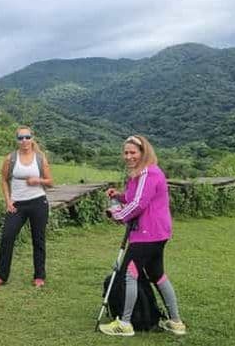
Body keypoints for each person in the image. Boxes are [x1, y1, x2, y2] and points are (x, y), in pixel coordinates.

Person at [99, 135, 187, 337]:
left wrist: (117, 214)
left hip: (147, 234)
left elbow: (139, 204)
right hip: (157, 233)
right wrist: (119, 196)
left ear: (143, 152)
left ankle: (125, 323)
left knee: (130, 274)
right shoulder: (141, 174)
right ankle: (176, 322)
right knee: (158, 275)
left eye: (133, 152)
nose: (128, 156)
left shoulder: (148, 173)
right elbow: (135, 197)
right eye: (126, 152)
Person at [0, 126, 54, 288]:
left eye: (27, 137)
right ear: (17, 140)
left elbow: (50, 182)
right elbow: (3, 179)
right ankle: (0, 276)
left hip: (38, 202)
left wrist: (37, 180)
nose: (24, 140)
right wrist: (8, 201)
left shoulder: (40, 158)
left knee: (38, 239)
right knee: (7, 237)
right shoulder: (10, 158)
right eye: (20, 138)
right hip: (17, 204)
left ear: (32, 138)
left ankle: (39, 276)